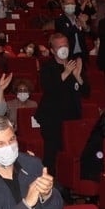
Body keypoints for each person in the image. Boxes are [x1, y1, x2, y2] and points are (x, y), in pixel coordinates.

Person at [36, 34, 89, 173]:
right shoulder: (47, 67)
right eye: (59, 47)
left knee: (71, 154)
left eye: (65, 45)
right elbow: (49, 89)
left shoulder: (74, 64)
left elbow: (86, 92)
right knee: (52, 156)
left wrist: (78, 76)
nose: (63, 49)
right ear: (53, 50)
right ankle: (51, 187)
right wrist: (65, 73)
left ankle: (68, 186)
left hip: (72, 117)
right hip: (52, 119)